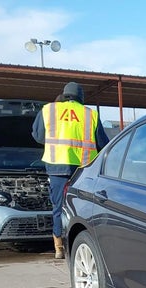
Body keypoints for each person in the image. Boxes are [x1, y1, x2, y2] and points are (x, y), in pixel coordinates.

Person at [32, 82, 109, 259]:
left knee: (58, 208)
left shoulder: (49, 110)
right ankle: (85, 245)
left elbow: (37, 136)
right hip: (83, 169)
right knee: (84, 207)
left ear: (64, 95)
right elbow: (103, 144)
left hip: (57, 166)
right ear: (80, 98)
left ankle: (59, 247)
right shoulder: (90, 114)